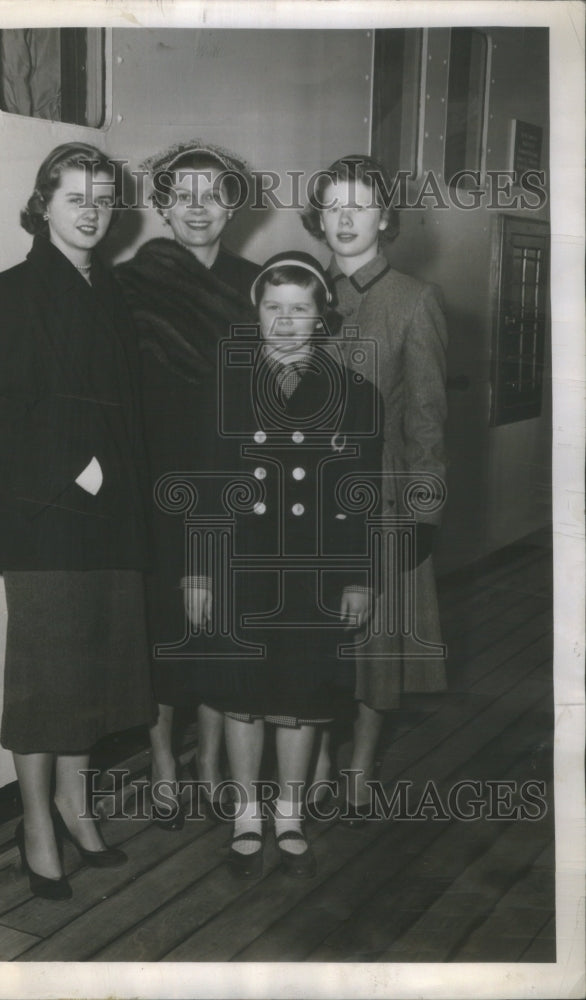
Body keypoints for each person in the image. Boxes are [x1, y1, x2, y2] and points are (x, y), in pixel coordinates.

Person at [0, 143, 155, 899]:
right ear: (42, 205)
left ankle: (76, 806)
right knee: (46, 680)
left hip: (112, 516)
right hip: (48, 518)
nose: (91, 211)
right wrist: (74, 469)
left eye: (103, 198)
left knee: (97, 670)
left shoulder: (111, 293)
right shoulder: (12, 291)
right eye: (75, 197)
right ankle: (35, 823)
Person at [206, 251, 383, 878]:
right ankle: (246, 810)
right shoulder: (225, 385)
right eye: (272, 307)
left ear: (321, 317)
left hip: (315, 569)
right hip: (243, 565)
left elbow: (361, 489)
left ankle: (290, 810)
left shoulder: (353, 395)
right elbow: (204, 486)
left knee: (302, 695)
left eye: (298, 309)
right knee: (242, 696)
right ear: (255, 312)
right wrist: (201, 571)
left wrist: (359, 576)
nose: (284, 321)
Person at [115, 139, 259, 828]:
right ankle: (164, 757)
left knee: (221, 627)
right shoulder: (126, 284)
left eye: (214, 194)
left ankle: (209, 759)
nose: (199, 209)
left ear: (234, 204)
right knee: (160, 625)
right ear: (163, 206)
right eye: (183, 195)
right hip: (154, 482)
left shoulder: (258, 285)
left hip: (232, 481)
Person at [301, 154, 448, 821]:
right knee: (314, 636)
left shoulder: (414, 300)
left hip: (383, 496)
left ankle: (360, 762)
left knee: (377, 642)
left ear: (384, 217)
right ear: (318, 220)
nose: (346, 220)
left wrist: (422, 516)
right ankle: (321, 757)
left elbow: (427, 422)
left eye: (359, 206)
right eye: (333, 208)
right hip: (307, 496)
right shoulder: (303, 291)